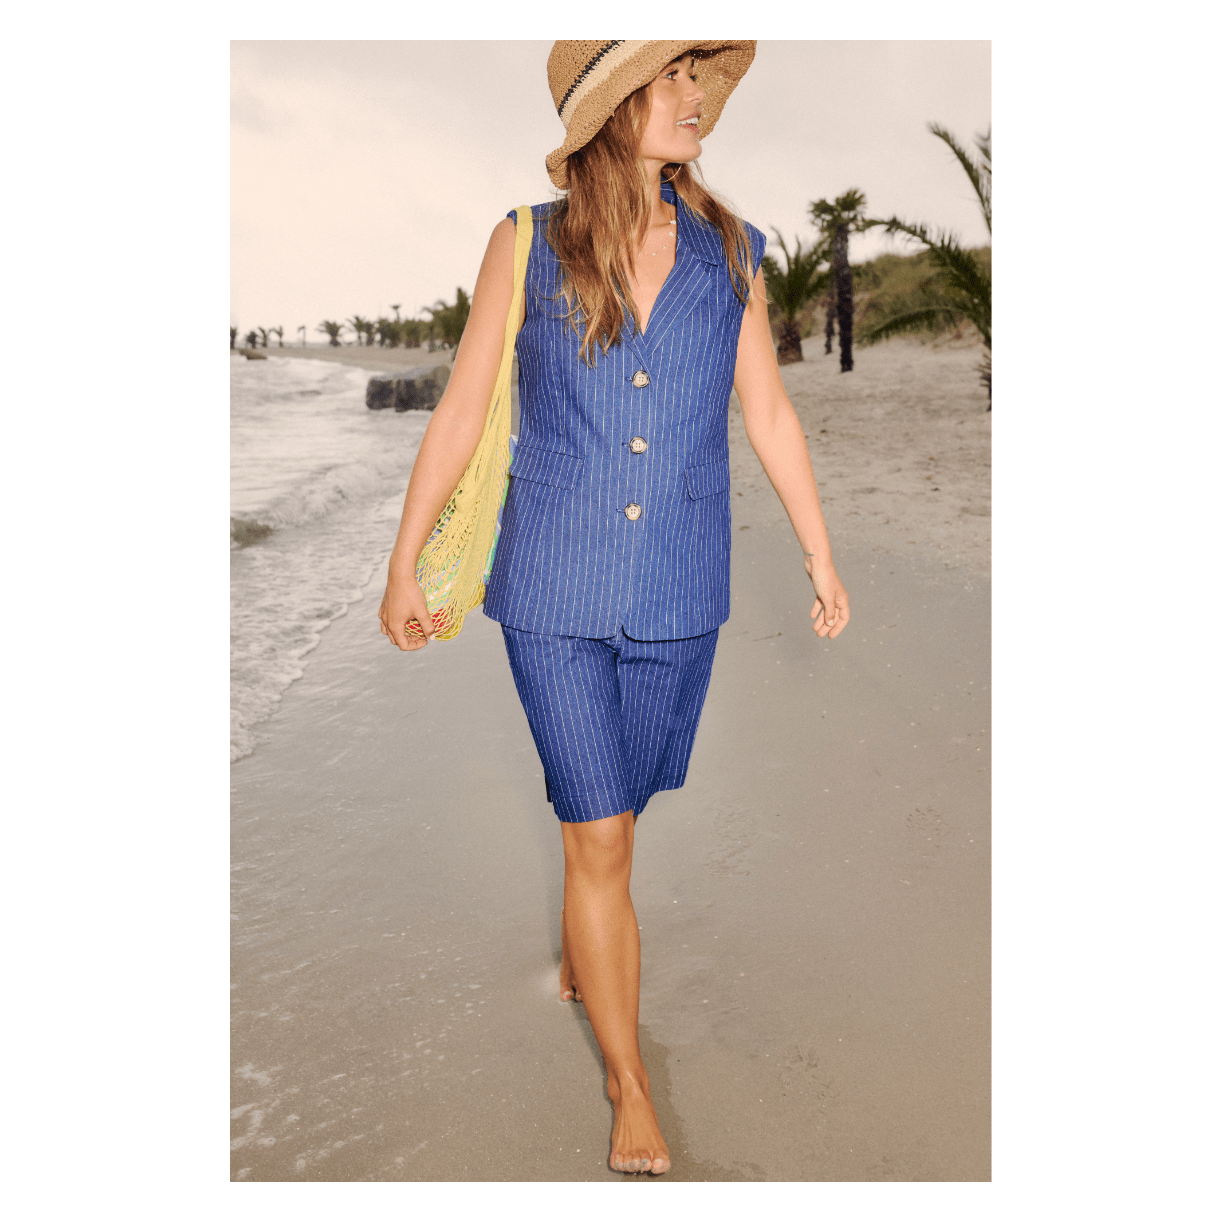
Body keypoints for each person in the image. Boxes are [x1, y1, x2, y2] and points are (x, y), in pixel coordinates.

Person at [378, 40, 850, 1176]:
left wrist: (819, 554)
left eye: (696, 77)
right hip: (549, 584)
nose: (694, 97)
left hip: (679, 588)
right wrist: (403, 562)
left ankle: (583, 928)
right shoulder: (524, 241)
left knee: (617, 815)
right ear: (608, 109)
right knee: (597, 833)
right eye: (670, 78)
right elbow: (460, 408)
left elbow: (768, 412)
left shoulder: (732, 250)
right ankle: (626, 1079)